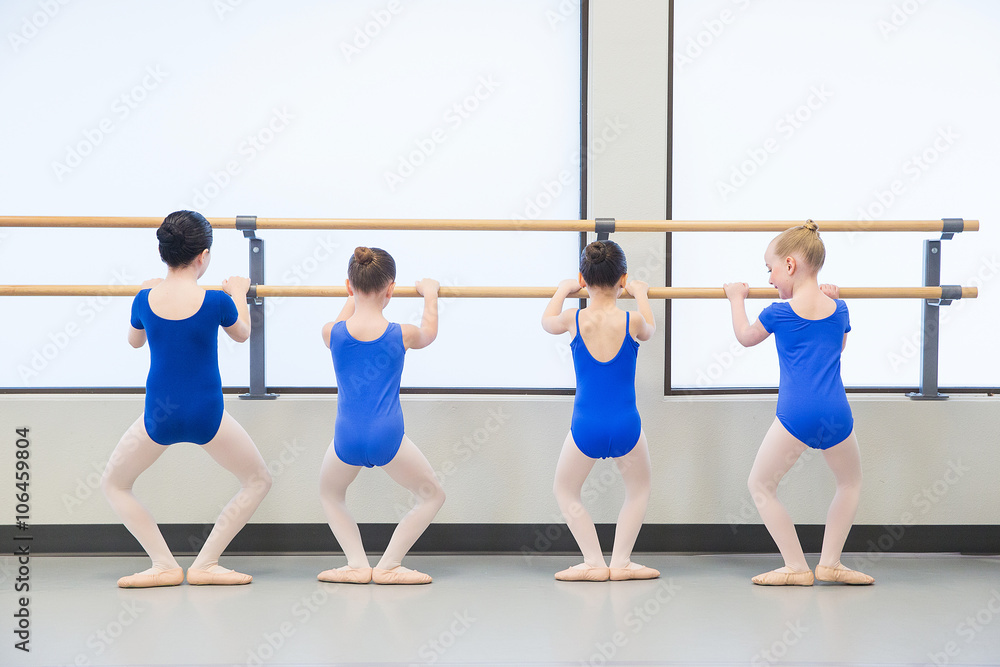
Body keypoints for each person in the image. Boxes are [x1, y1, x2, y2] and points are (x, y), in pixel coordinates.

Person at [101, 210, 272, 588]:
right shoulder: (215, 301)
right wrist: (239, 295)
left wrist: (141, 294)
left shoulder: (144, 299)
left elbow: (134, 341)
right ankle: (206, 563)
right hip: (207, 414)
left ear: (163, 254)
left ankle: (163, 563)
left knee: (114, 483)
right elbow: (243, 333)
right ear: (203, 256)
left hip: (158, 416)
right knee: (257, 480)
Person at [723, 220, 873, 586]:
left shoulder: (779, 313)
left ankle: (795, 566)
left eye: (770, 269)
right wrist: (834, 299)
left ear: (789, 265)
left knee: (761, 485)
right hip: (837, 412)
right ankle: (831, 563)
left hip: (797, 415)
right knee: (849, 484)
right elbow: (836, 347)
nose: (770, 279)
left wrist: (736, 299)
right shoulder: (838, 309)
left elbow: (745, 337)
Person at [318, 246, 445, 585]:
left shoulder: (332, 333)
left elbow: (345, 317)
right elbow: (429, 332)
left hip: (346, 437)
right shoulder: (401, 334)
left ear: (348, 286)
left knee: (330, 494)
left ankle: (357, 564)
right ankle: (389, 564)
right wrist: (429, 294)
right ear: (391, 289)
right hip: (388, 437)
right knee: (433, 496)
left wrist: (353, 295)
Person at [541, 240, 658, 582]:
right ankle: (621, 562)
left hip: (585, 427)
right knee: (638, 491)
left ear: (583, 278)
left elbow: (546, 321)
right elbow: (649, 330)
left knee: (565, 490)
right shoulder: (632, 320)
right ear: (622, 279)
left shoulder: (573, 319)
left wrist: (563, 290)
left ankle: (593, 561)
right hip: (626, 426)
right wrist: (641, 293)